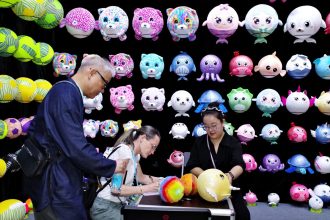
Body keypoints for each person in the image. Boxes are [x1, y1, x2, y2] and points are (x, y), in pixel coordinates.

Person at [23, 54, 127, 220]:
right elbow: (75, 147)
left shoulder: (68, 92)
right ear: (92, 72)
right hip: (55, 186)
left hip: (61, 182)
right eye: (104, 83)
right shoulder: (65, 93)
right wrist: (111, 166)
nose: (103, 90)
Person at [186, 102, 251, 220]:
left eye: (214, 125)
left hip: (228, 189)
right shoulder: (199, 142)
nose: (210, 130)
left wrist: (230, 175)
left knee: (242, 215)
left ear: (222, 122)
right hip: (204, 188)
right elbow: (192, 164)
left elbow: (239, 165)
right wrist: (207, 177)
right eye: (206, 126)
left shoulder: (233, 143)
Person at [90, 125, 162, 220]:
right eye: (153, 146)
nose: (153, 152)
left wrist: (164, 180)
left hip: (116, 206)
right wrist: (147, 188)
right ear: (143, 138)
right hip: (105, 208)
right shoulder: (124, 152)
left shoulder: (135, 156)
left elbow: (142, 178)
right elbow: (117, 189)